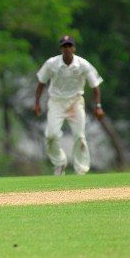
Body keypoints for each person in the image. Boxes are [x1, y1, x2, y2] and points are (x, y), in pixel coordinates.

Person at [34, 36, 105, 176]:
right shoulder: (51, 63)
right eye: (64, 46)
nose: (67, 49)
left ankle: (81, 170)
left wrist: (98, 106)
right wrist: (37, 103)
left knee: (79, 135)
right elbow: (41, 83)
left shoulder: (83, 64)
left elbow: (95, 86)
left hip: (75, 101)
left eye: (69, 46)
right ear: (61, 48)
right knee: (51, 135)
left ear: (74, 48)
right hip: (56, 102)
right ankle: (59, 163)